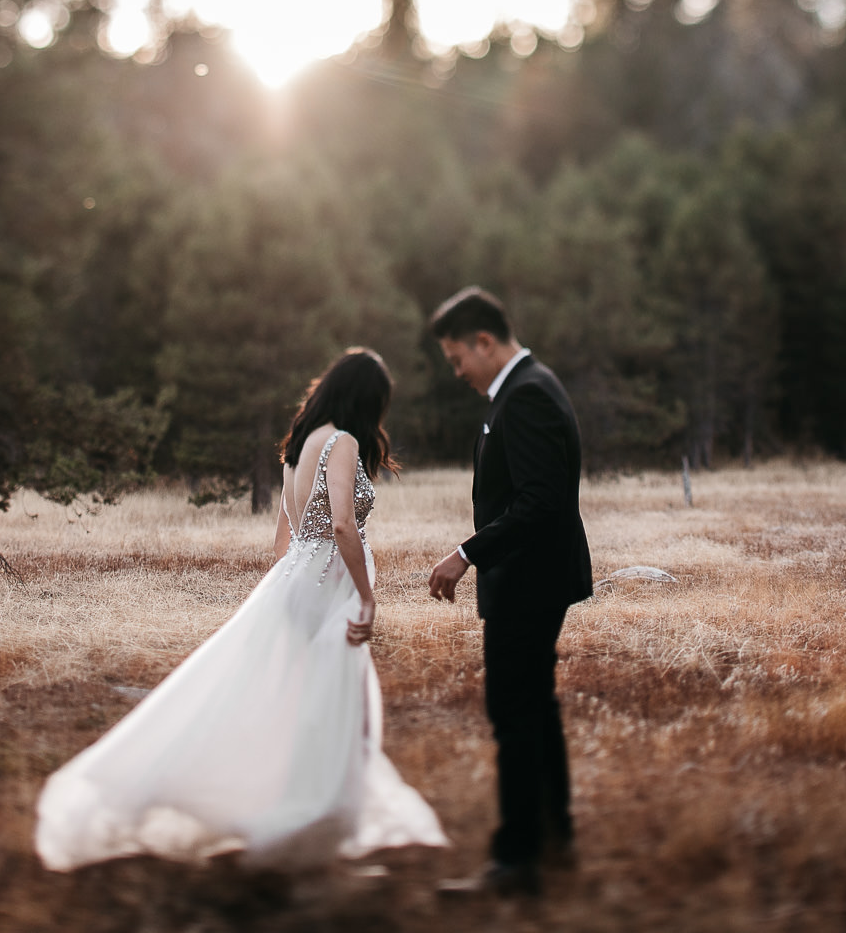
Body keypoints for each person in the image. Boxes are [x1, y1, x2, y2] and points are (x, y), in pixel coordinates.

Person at [35, 348, 448, 871]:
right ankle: (313, 827)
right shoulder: (341, 442)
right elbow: (343, 524)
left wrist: (290, 586)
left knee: (299, 702)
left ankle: (312, 819)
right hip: (327, 586)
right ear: (366, 399)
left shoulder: (299, 446)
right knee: (333, 708)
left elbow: (285, 532)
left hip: (299, 580)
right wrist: (364, 596)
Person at [426, 287, 593, 896]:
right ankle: (554, 840)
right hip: (533, 578)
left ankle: (519, 861)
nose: (457, 372)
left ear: (485, 342)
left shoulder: (525, 397)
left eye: (457, 358)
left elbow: (540, 504)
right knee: (535, 709)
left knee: (515, 713)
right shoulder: (528, 388)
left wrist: (467, 553)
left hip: (528, 582)